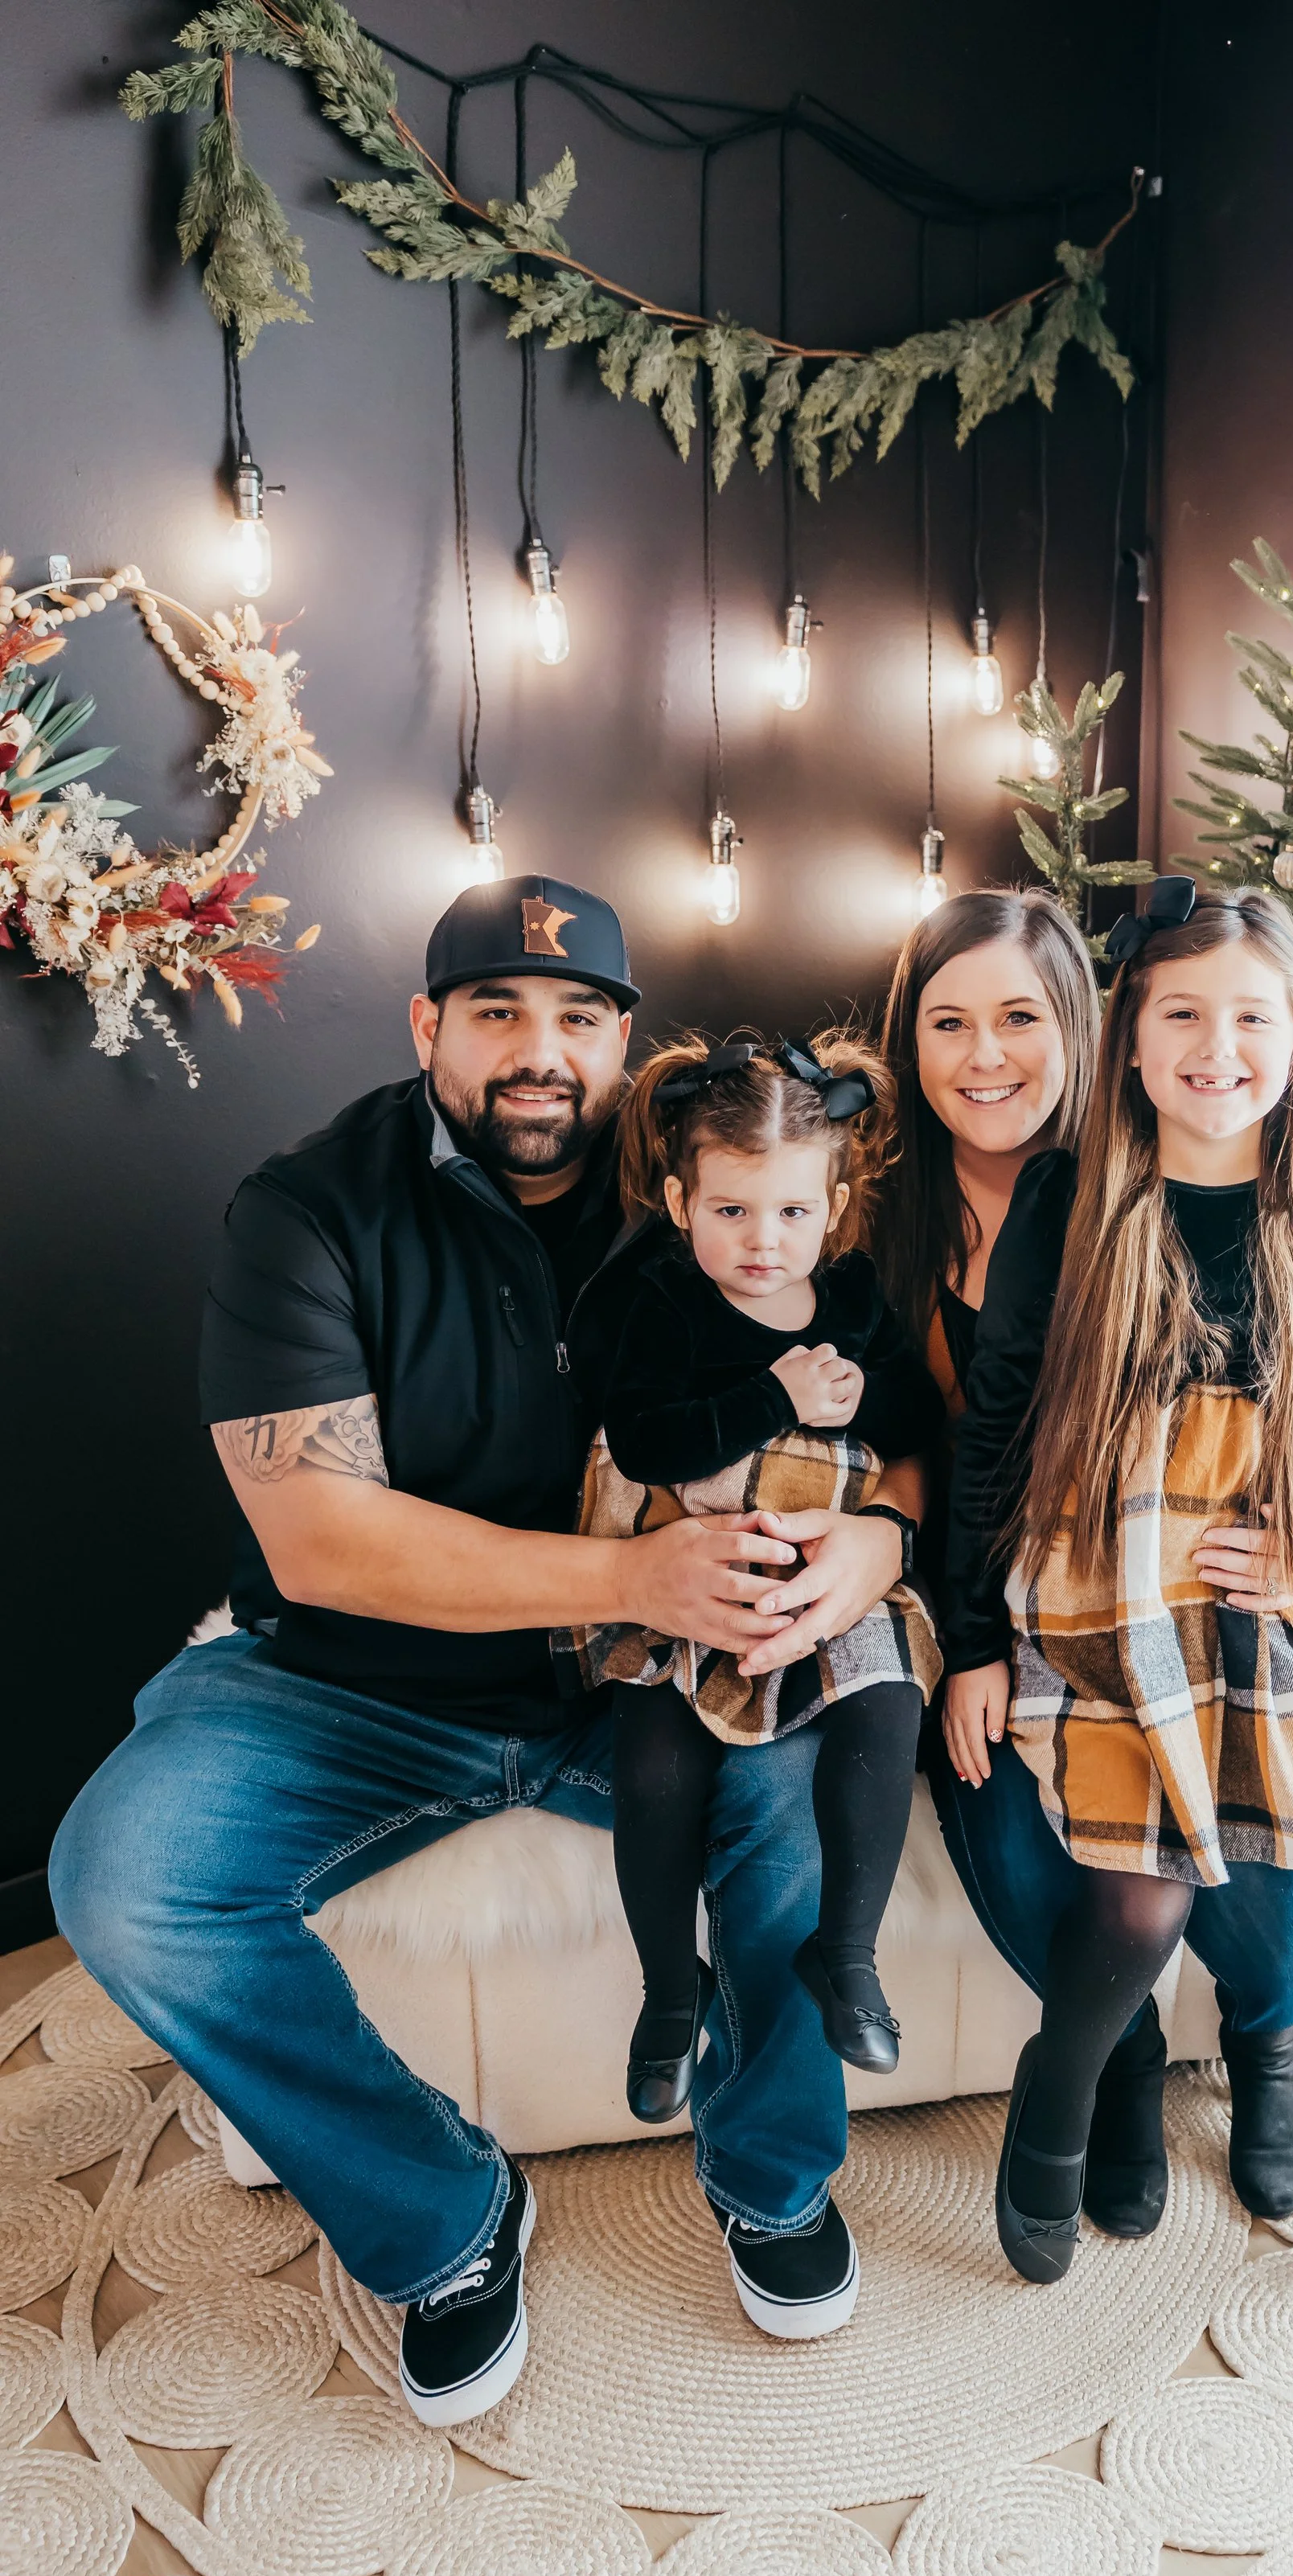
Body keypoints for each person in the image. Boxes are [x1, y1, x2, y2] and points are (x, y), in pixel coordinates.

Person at [48, 877, 919, 2421]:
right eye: (497, 1011)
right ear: (425, 1026)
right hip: (351, 1685)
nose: (541, 1052)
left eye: (579, 1017)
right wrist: (636, 1572)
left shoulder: (705, 1190)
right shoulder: (307, 1208)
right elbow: (322, 1537)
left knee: (782, 1819)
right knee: (123, 1874)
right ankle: (448, 2221)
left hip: (628, 1684)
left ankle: (773, 2178)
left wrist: (884, 1536)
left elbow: (894, 1402)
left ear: (624, 1040)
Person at [942, 882, 1293, 2295]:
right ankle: (1062, 2091)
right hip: (1110, 1592)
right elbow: (993, 1425)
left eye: (1252, 1015)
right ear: (1130, 1038)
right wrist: (975, 1639)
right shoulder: (1073, 1195)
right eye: (1182, 1012)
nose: (1217, 1046)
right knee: (1140, 1905)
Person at [873, 888, 1293, 2236]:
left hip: (1153, 1584)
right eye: (949, 1022)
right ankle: (1123, 2056)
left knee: (1250, 1833)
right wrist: (967, 1639)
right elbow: (890, 1445)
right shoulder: (869, 1214)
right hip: (968, 1590)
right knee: (1025, 1845)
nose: (985, 1055)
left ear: (1092, 1033)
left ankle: (1271, 2046)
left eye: (1020, 1017)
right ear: (912, 1045)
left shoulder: (1141, 1181)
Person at [569, 1030, 941, 2160]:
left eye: (789, 1213)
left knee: (886, 1706)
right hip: (687, 1572)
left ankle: (851, 1954)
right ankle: (667, 1986)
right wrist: (774, 1394)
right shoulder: (665, 1304)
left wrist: (857, 1391)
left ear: (833, 1206)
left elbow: (918, 1428)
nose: (761, 1243)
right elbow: (642, 1438)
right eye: (730, 1212)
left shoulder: (856, 1297)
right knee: (656, 1758)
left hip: (821, 1576)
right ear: (682, 1203)